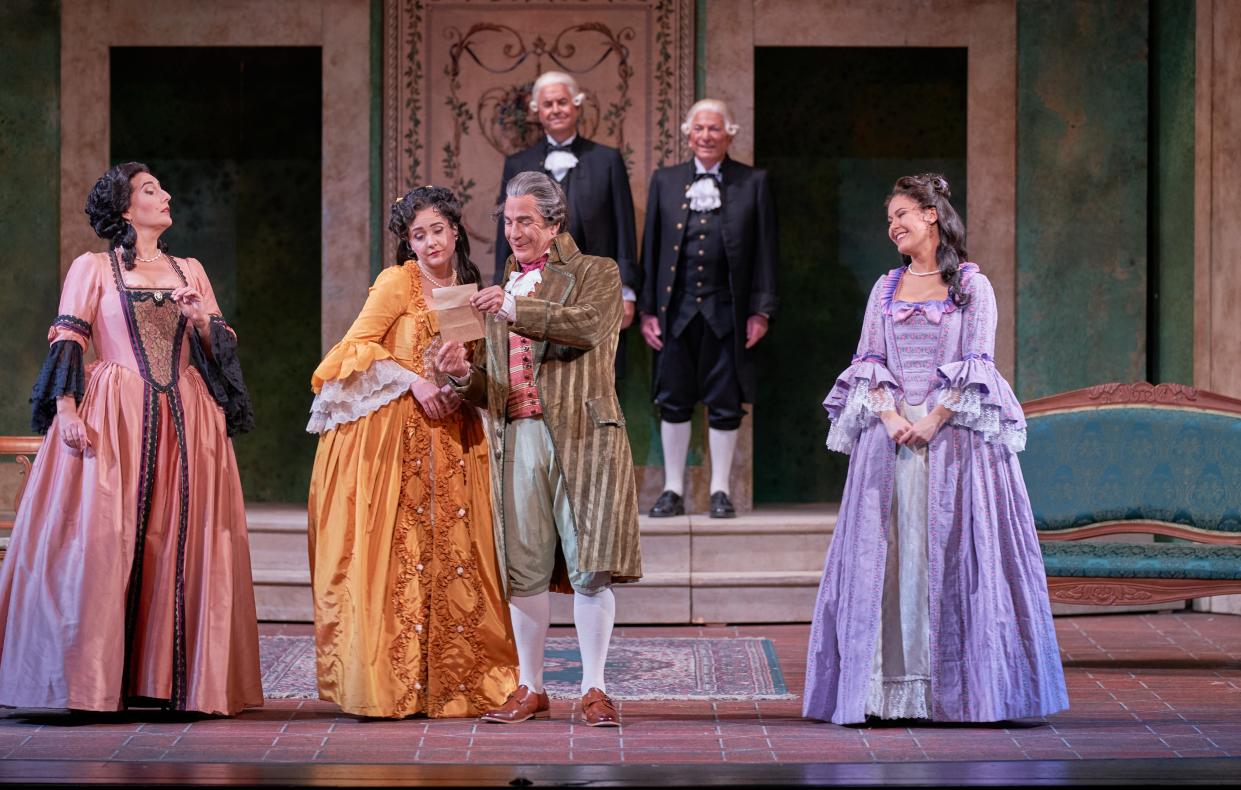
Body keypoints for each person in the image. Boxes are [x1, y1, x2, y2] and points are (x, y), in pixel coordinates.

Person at [803, 173, 1068, 724]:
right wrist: (893, 416)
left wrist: (936, 418)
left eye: (902, 214)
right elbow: (868, 361)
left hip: (956, 446)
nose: (894, 226)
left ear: (931, 215)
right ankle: (882, 692)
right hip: (891, 440)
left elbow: (979, 365)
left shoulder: (973, 286)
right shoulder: (884, 289)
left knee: (958, 556)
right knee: (889, 558)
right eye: (888, 219)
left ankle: (967, 690)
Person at [0, 162, 261, 715]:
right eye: (150, 190)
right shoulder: (92, 268)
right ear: (125, 208)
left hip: (187, 416)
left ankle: (171, 683)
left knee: (179, 538)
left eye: (162, 187)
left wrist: (200, 321)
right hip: (115, 412)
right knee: (103, 539)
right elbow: (69, 340)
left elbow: (221, 348)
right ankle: (91, 681)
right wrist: (66, 411)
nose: (164, 195)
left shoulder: (190, 268)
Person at [437, 171, 641, 727]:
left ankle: (594, 688)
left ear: (554, 225)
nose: (514, 230)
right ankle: (530, 686)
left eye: (526, 220)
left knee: (588, 565)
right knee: (522, 566)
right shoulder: (501, 288)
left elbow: (588, 326)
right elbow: (493, 385)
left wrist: (513, 310)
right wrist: (462, 377)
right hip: (517, 435)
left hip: (580, 434)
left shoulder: (596, 273)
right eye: (507, 221)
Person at [305, 186, 518, 718]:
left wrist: (455, 379)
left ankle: (450, 682)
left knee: (452, 552)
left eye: (437, 231)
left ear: (455, 230)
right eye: (417, 235)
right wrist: (415, 383)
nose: (429, 243)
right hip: (396, 432)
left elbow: (469, 367)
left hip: (452, 435)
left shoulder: (466, 289)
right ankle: (393, 683)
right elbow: (354, 346)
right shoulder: (398, 281)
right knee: (400, 554)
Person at [639, 98, 778, 519]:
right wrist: (647, 310)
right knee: (674, 398)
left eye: (714, 129)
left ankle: (720, 490)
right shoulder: (665, 181)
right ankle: (673, 489)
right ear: (687, 133)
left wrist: (762, 310)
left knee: (724, 400)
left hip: (728, 312)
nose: (705, 136)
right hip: (674, 313)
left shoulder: (753, 182)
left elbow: (766, 253)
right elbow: (652, 250)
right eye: (698, 129)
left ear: (729, 134)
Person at [495, 70, 638, 381]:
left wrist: (626, 291)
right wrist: (502, 286)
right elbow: (505, 235)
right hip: (534, 290)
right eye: (548, 104)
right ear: (537, 111)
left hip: (593, 288)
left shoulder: (607, 159)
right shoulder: (517, 163)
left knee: (598, 378)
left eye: (562, 102)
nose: (556, 109)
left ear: (576, 106)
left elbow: (624, 228)